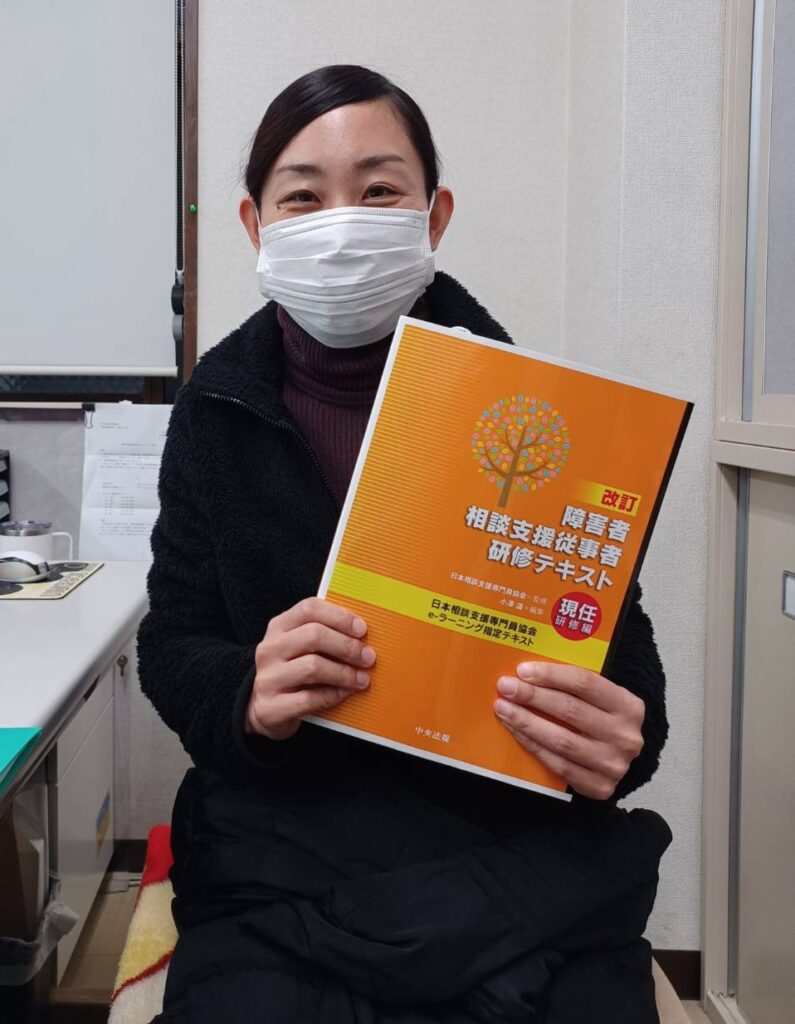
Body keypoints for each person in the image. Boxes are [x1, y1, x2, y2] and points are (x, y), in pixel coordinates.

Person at [139, 65, 671, 1024]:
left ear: (434, 214)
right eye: (303, 197)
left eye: (380, 190)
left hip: (504, 841)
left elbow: (616, 650)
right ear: (255, 225)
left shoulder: (537, 414)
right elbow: (173, 641)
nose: (343, 223)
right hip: (286, 847)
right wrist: (247, 693)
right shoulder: (214, 412)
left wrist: (619, 741)